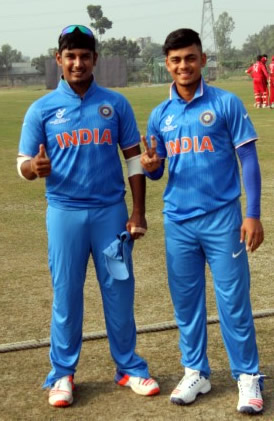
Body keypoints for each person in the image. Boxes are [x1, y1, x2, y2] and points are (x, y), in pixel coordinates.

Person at [17, 24, 159, 407]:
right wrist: (35, 168)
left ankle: (129, 367)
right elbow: (22, 165)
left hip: (110, 216)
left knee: (119, 291)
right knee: (66, 295)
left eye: (84, 55)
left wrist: (138, 212)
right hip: (65, 215)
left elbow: (133, 159)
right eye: (70, 56)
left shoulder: (115, 104)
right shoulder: (42, 108)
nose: (77, 62)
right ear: (58, 60)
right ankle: (62, 374)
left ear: (94, 59)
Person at [141, 28, 264, 415]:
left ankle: (247, 376)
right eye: (176, 60)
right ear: (167, 65)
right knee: (186, 303)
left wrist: (253, 214)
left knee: (233, 301)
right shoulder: (160, 115)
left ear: (202, 60)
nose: (183, 66)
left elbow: (248, 161)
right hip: (178, 221)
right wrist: (151, 166)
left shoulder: (226, 103)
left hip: (223, 219)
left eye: (190, 58)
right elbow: (158, 172)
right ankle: (196, 371)